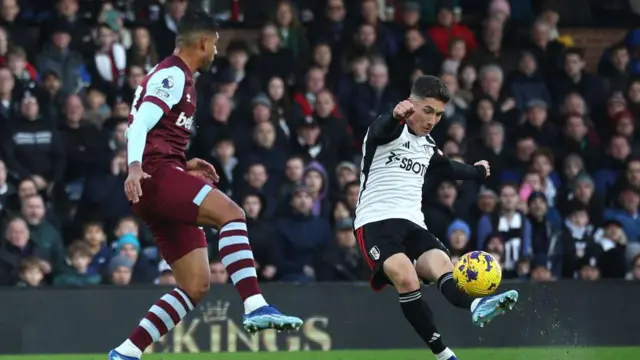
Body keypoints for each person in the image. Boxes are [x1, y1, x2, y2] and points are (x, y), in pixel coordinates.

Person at [109, 10, 302, 360]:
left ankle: (127, 352)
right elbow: (137, 128)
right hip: (155, 176)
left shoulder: (173, 75)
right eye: (215, 43)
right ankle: (256, 304)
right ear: (203, 41)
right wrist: (135, 167)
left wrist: (184, 163)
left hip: (160, 175)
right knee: (232, 213)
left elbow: (152, 131)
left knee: (195, 285)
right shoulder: (172, 75)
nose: (216, 51)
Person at [353, 75, 519, 360]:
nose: (432, 120)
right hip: (376, 223)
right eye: (427, 111)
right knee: (407, 278)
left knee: (445, 266)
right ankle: (443, 354)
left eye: (439, 114)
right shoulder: (388, 130)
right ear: (411, 104)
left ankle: (477, 304)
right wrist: (395, 115)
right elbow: (383, 128)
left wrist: (478, 172)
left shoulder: (426, 146)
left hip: (413, 224)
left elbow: (448, 168)